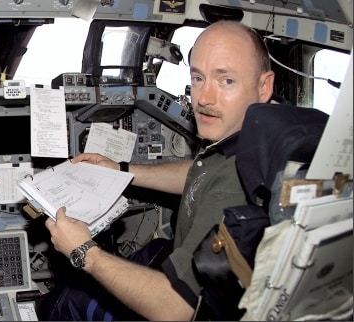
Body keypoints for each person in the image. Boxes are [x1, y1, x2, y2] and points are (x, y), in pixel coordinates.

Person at [43, 21, 275, 320]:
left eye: (226, 80)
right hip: (194, 269)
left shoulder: (237, 179)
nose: (204, 98)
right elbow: (198, 174)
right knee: (155, 248)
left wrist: (83, 251)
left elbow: (175, 308)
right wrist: (122, 170)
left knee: (68, 301)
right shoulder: (252, 142)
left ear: (264, 86)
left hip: (187, 306)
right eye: (198, 78)